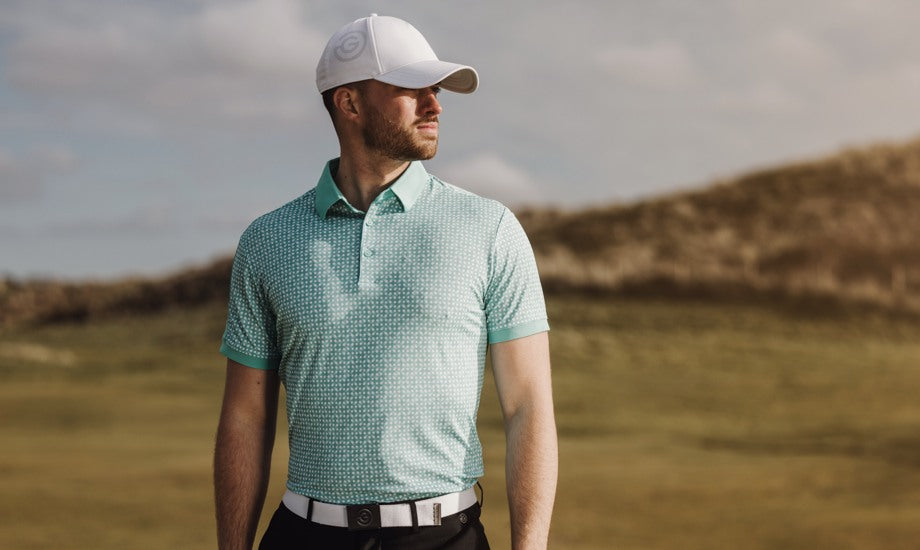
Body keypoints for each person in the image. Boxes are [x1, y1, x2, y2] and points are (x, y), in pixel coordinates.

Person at [214, 14, 557, 550]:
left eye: (436, 89)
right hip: (303, 537)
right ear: (349, 104)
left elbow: (528, 405)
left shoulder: (489, 228)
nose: (435, 105)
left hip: (447, 538)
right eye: (411, 89)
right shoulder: (268, 240)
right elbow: (244, 415)